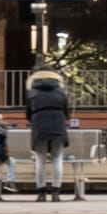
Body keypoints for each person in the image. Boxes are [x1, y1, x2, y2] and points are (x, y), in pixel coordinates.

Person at [24, 65, 71, 202]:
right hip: (58, 126)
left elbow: (28, 113)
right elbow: (67, 112)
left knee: (40, 160)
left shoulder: (32, 92)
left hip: (39, 127)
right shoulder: (61, 92)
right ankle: (56, 192)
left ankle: (41, 193)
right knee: (57, 159)